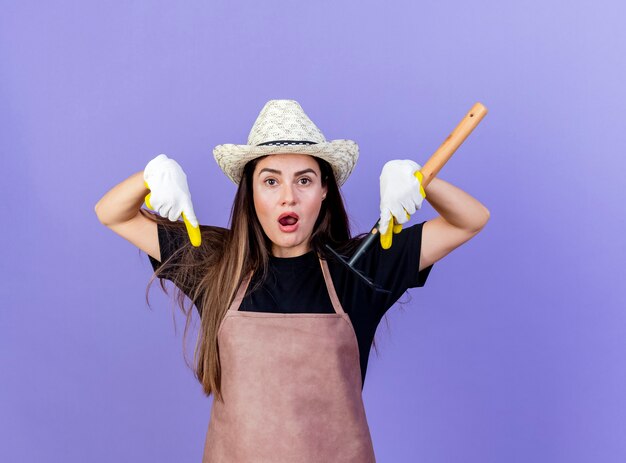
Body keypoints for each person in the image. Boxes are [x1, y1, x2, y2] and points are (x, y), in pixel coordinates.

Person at [94, 99, 490, 462]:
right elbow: (113, 212)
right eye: (270, 181)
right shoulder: (215, 265)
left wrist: (420, 181)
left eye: (304, 180)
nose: (288, 197)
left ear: (323, 192)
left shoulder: (362, 266)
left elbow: (470, 219)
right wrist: (153, 175)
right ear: (250, 194)